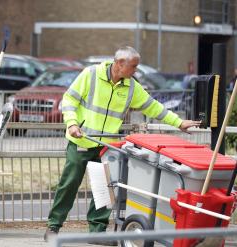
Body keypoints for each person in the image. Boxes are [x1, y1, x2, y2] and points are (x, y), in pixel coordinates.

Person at [44, 46, 200, 246]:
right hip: (81, 141)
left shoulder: (132, 87)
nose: (135, 70)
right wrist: (72, 123)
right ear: (119, 64)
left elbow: (153, 107)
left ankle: (97, 232)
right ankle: (53, 227)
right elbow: (69, 99)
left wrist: (179, 123)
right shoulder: (90, 74)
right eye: (133, 66)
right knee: (69, 184)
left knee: (104, 188)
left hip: (106, 146)